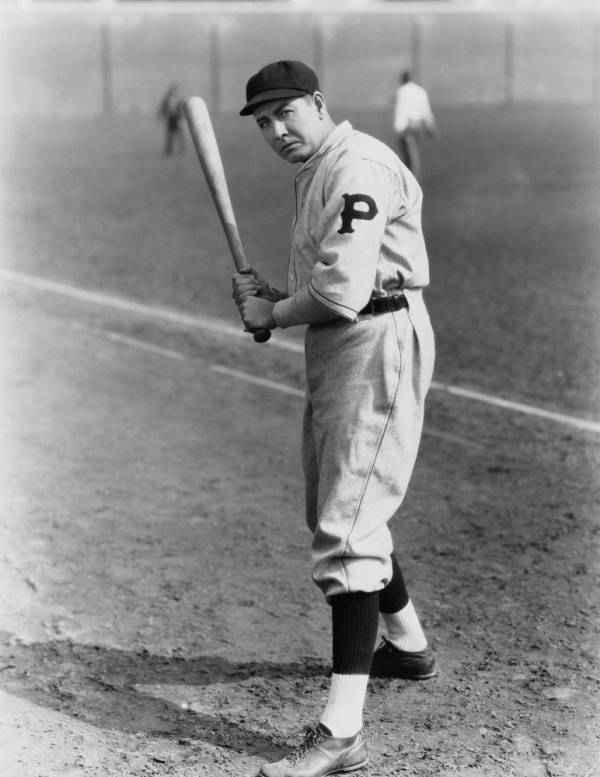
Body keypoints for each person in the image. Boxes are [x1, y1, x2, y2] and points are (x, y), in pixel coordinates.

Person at [231, 60, 436, 777]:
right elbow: (332, 283)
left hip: (376, 338)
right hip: (346, 336)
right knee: (340, 501)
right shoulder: (323, 164)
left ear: (318, 103)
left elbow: (345, 291)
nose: (275, 129)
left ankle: (341, 733)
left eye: (286, 112)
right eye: (262, 121)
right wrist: (282, 295)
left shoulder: (356, 167)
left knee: (349, 522)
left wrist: (273, 312)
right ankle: (406, 644)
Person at [393, 69, 437, 182]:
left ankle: (412, 179)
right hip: (417, 125)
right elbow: (426, 110)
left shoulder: (402, 91)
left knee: (410, 153)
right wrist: (430, 125)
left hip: (407, 126)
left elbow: (401, 109)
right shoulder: (420, 91)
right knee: (412, 151)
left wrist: (399, 127)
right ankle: (412, 177)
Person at [157, 83, 185, 156]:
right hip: (170, 118)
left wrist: (181, 117)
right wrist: (161, 115)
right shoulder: (167, 98)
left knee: (179, 135)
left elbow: (181, 108)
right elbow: (163, 107)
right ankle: (169, 151)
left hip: (177, 118)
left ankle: (181, 150)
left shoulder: (179, 98)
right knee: (170, 136)